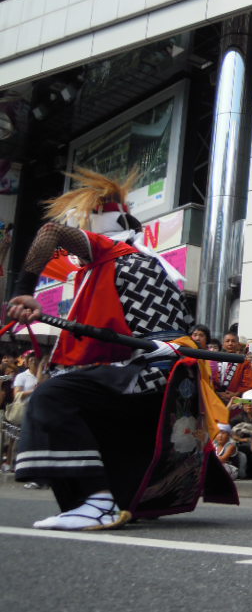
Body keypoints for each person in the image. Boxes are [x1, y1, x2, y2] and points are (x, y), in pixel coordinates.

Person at [6, 168, 235, 530]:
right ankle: (115, 499)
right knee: (79, 402)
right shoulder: (134, 263)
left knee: (54, 397)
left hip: (154, 370)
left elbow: (49, 233)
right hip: (163, 373)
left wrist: (24, 289)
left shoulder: (112, 252)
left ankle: (96, 501)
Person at [210, 331, 252, 405]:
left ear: (238, 344)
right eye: (227, 341)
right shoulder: (214, 360)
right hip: (215, 399)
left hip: (235, 402)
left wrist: (236, 394)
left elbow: (250, 384)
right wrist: (218, 393)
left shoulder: (244, 362)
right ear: (223, 344)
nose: (230, 343)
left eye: (233, 341)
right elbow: (208, 379)